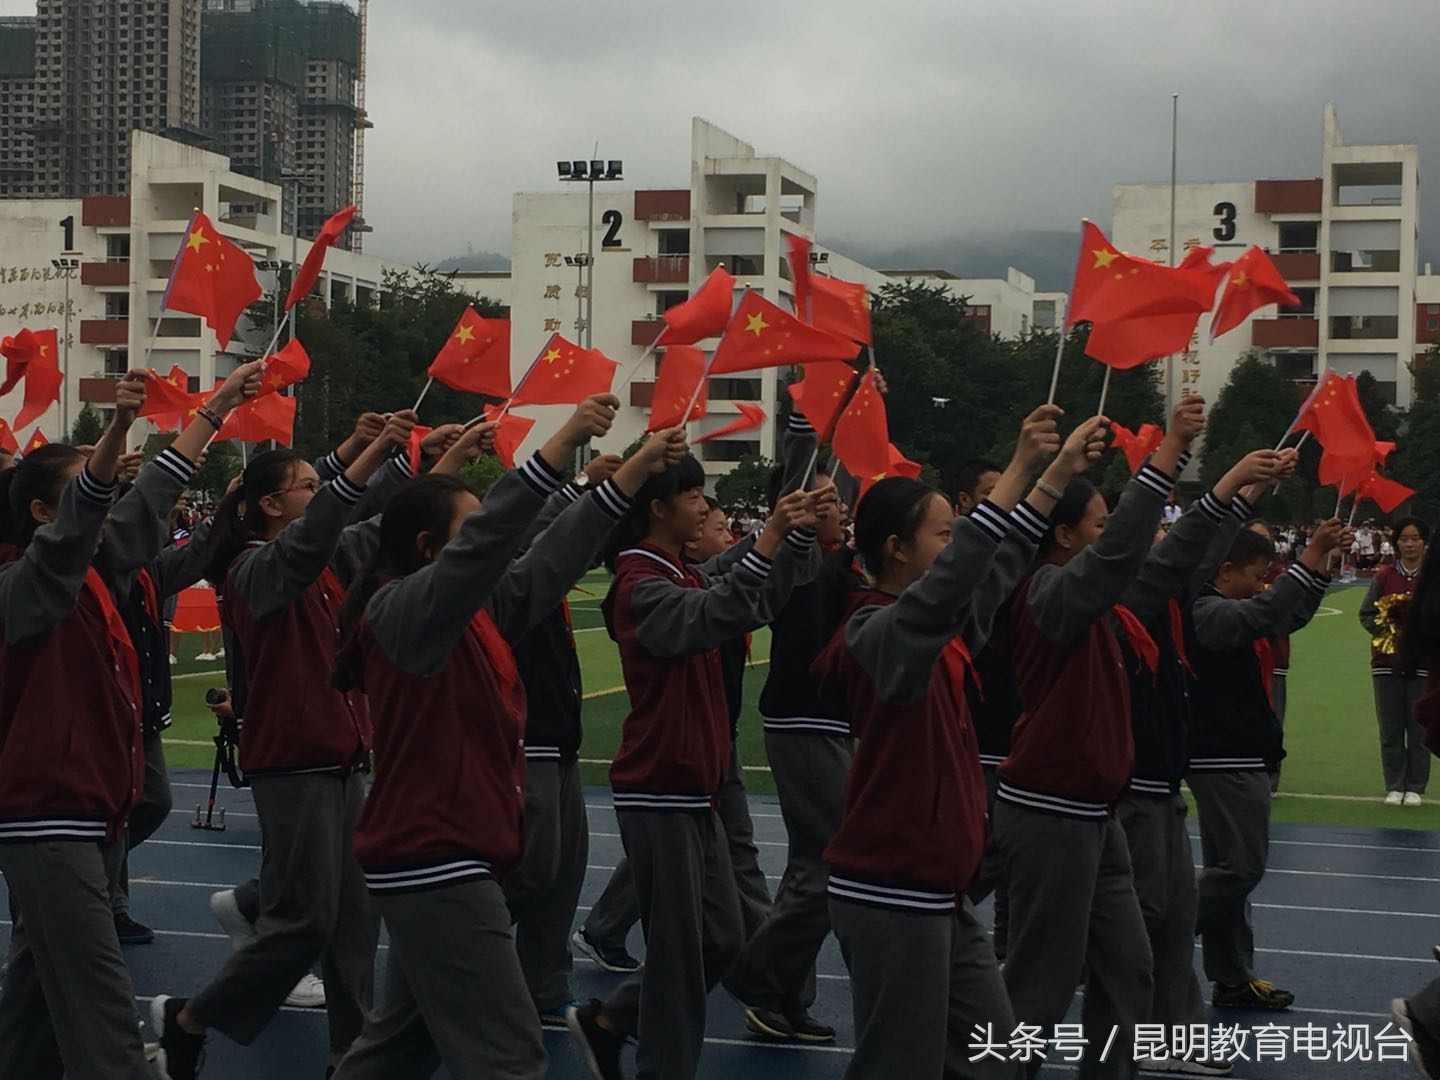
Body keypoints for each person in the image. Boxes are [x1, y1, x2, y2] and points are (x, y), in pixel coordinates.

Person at [330, 406, 684, 1079]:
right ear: (434, 550)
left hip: (443, 857)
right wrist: (559, 446)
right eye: (472, 537)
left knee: (396, 1050)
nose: (496, 548)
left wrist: (635, 470)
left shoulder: (475, 611)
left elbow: (551, 561)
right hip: (434, 858)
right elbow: (497, 538)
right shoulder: (401, 610)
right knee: (508, 1056)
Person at [817, 406, 1104, 1080]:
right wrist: (1021, 470)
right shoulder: (879, 635)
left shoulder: (935, 636)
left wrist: (1056, 471)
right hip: (891, 890)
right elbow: (948, 587)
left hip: (940, 891)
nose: (953, 547)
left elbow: (991, 572)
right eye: (943, 534)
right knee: (900, 1065)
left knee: (995, 1057)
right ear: (896, 548)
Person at [150, 411, 427, 1079]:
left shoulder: (317, 565)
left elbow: (365, 527)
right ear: (271, 505)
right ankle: (189, 1020)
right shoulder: (254, 568)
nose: (319, 490)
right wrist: (365, 457)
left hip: (337, 752)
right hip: (292, 756)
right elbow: (326, 526)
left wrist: (417, 462)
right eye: (307, 484)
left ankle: (347, 1055)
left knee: (357, 921)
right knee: (305, 918)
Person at [0, 367, 254, 1079]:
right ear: (45, 515)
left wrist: (217, 407)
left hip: (90, 811)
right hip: (47, 817)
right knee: (102, 1008)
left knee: (34, 996)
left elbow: (149, 503)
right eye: (89, 489)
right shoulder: (26, 587)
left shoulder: (99, 572)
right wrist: (112, 431)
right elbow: (87, 522)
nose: (109, 500)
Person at [566, 457, 832, 1080]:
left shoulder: (677, 572)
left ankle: (610, 1022)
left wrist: (791, 537)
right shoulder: (640, 582)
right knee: (684, 952)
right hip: (662, 785)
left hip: (695, 784)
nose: (703, 505)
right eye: (692, 494)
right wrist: (766, 540)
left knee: (720, 940)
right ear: (657, 508)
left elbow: (755, 602)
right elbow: (719, 613)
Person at [995, 394, 1206, 1080]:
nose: (1111, 532)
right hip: (1052, 809)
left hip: (1097, 812)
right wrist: (1166, 455)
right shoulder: (1050, 598)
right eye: (1097, 521)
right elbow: (1121, 554)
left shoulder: (1103, 606)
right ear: (1061, 538)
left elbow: (1166, 563)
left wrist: (1229, 491)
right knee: (1039, 990)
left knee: (1129, 973)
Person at [1106, 448, 1291, 1077]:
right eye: (1154, 532)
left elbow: (1203, 550)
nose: (1169, 542)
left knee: (1163, 917)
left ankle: (1167, 1039)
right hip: (1111, 785)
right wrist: (1232, 479)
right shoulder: (1103, 596)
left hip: (1156, 778)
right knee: (1100, 933)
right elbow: (1191, 548)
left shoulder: (1164, 595)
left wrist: (1247, 489)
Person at [1187, 518, 1350, 1011]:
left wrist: (1318, 566)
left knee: (1230, 870)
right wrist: (1308, 555)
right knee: (1240, 868)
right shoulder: (1206, 612)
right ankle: (1146, 939)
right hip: (1221, 756)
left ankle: (1233, 976)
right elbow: (1267, 610)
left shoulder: (1227, 607)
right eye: (1257, 574)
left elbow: (1286, 615)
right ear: (1224, 569)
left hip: (1235, 753)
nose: (1261, 584)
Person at [1360, 517, 1431, 805]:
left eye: (1415, 538)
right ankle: (1394, 783)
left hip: (1424, 663)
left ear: (1424, 542)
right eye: (1404, 538)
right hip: (1385, 663)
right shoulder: (1384, 577)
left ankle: (1415, 785)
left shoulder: (1433, 578)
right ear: (1396, 542)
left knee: (1419, 726)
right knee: (1390, 727)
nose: (1410, 544)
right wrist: (1389, 630)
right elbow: (1366, 614)